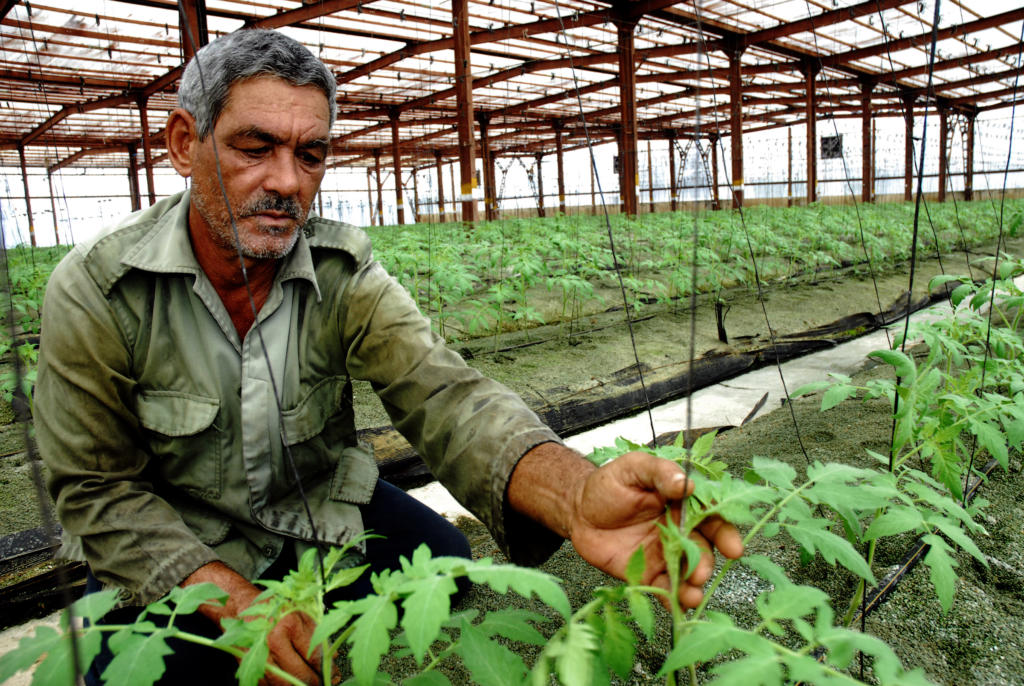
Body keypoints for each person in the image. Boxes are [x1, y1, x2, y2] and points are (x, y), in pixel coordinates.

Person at [35, 29, 742, 686]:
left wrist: (576, 495)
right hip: (173, 536)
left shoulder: (342, 273)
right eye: (256, 147)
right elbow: (95, 491)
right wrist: (235, 599)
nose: (287, 181)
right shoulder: (97, 289)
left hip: (311, 502)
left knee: (444, 563)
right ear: (185, 143)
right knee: (136, 668)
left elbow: (447, 396)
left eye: (310, 154)